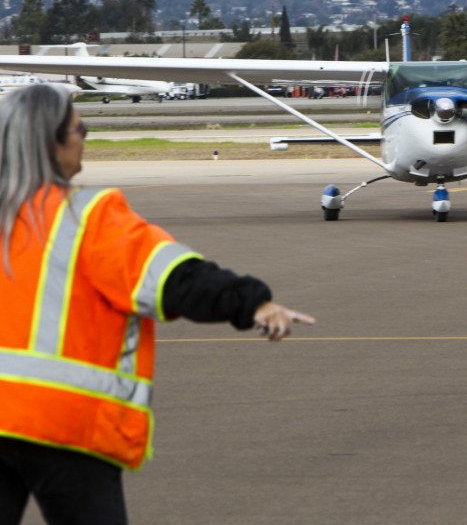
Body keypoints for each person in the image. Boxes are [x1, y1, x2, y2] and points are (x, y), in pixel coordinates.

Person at [0, 84, 315, 525]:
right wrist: (253, 303)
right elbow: (175, 279)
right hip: (66, 426)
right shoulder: (88, 218)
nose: (85, 137)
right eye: (81, 128)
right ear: (51, 144)